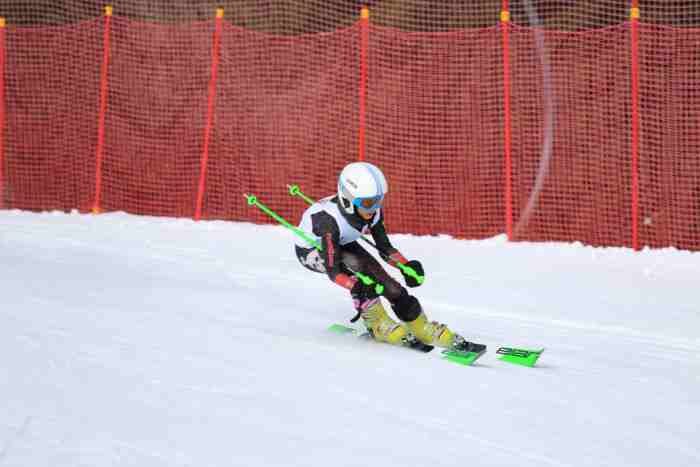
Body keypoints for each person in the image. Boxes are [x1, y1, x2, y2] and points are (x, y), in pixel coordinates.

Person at [294, 161, 484, 354]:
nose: (374, 208)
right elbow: (334, 271)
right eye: (369, 203)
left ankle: (420, 325)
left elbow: (384, 248)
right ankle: (377, 323)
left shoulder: (372, 212)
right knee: (358, 270)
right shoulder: (328, 221)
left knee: (387, 283)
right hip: (312, 250)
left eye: (379, 200)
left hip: (342, 242)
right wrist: (355, 286)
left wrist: (406, 266)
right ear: (348, 201)